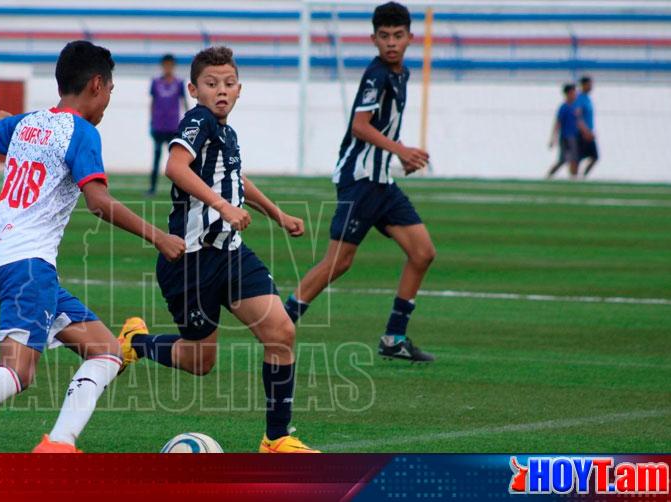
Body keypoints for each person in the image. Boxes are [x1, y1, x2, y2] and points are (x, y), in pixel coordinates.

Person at [0, 41, 186, 453]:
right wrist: (159, 237)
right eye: (110, 91)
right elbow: (99, 203)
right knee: (18, 372)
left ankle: (59, 446)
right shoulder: (82, 133)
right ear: (97, 85)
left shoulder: (27, 122)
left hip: (6, 258)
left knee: (105, 352)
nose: (107, 102)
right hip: (28, 262)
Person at [116, 46, 319, 453]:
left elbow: (235, 177)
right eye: (211, 84)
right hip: (190, 262)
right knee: (199, 362)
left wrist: (278, 215)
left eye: (228, 83)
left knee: (281, 332)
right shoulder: (198, 119)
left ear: (239, 89)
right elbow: (174, 167)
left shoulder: (226, 132)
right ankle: (135, 343)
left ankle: (277, 439)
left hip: (231, 254)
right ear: (194, 89)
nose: (220, 91)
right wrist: (222, 206)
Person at [283, 1, 437, 363]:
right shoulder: (377, 75)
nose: (391, 43)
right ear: (373, 39)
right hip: (360, 180)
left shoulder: (402, 74)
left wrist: (397, 157)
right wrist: (401, 150)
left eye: (398, 36)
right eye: (384, 36)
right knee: (338, 261)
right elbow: (360, 125)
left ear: (410, 38)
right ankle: (280, 321)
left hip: (381, 182)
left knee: (423, 252)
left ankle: (394, 337)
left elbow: (381, 127)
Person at [147, 54, 188, 196]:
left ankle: (180, 189)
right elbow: (152, 102)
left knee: (176, 161)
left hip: (173, 127)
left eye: (170, 65)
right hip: (159, 126)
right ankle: (152, 188)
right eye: (166, 65)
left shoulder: (179, 83)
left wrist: (188, 120)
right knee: (156, 158)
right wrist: (151, 121)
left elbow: (184, 102)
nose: (168, 68)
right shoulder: (156, 82)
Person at [547, 83, 582, 179]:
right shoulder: (564, 107)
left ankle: (573, 177)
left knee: (575, 159)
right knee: (564, 160)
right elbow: (558, 123)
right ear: (569, 93)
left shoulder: (575, 107)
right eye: (574, 92)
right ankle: (549, 176)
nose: (575, 94)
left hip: (574, 136)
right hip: (566, 137)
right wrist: (553, 138)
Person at [575, 76, 599, 177]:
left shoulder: (587, 98)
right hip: (582, 133)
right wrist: (585, 132)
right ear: (583, 85)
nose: (591, 87)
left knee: (594, 157)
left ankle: (582, 177)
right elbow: (578, 116)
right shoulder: (579, 98)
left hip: (589, 131)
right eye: (589, 84)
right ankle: (575, 178)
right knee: (578, 157)